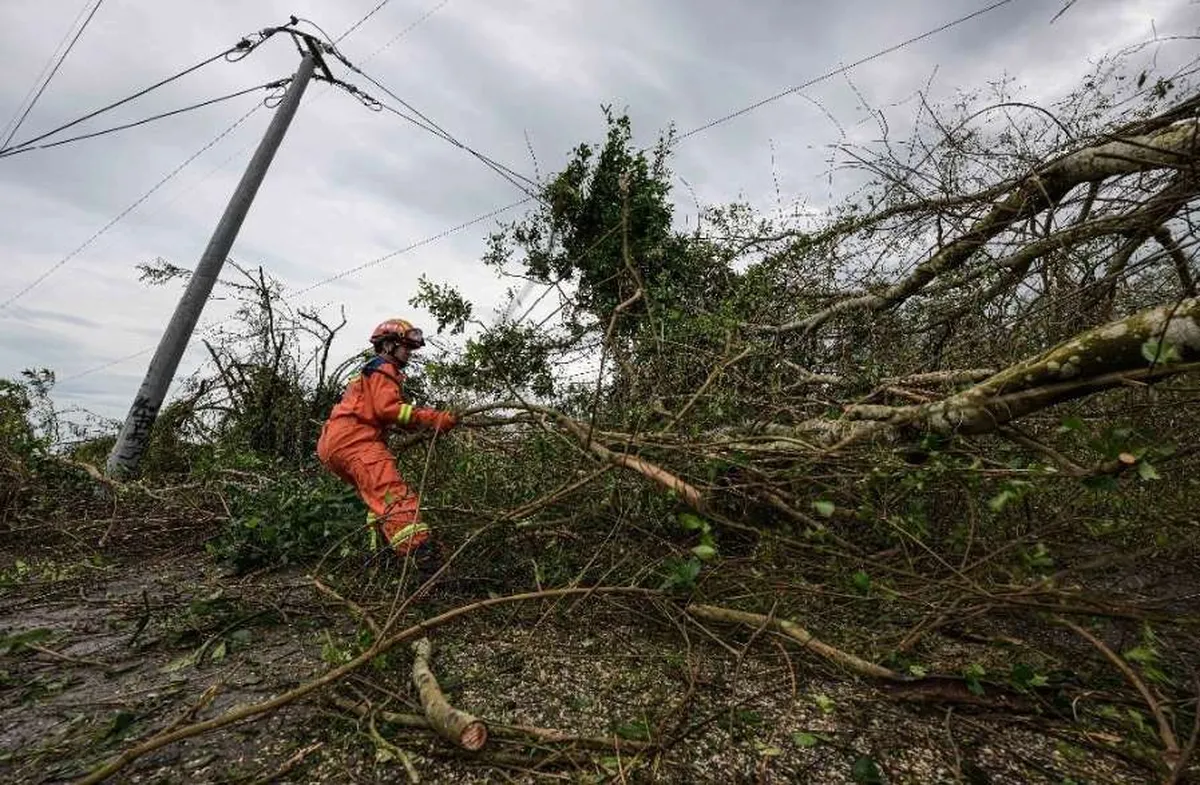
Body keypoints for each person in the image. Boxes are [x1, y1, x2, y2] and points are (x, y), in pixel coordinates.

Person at [317, 318, 457, 578]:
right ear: (389, 345)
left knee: (377, 500)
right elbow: (390, 409)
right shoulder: (383, 368)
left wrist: (417, 426)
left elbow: (382, 413)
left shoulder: (369, 372)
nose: (409, 354)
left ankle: (382, 559)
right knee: (395, 498)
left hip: (335, 444)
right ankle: (428, 566)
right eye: (405, 347)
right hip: (356, 442)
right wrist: (435, 419)